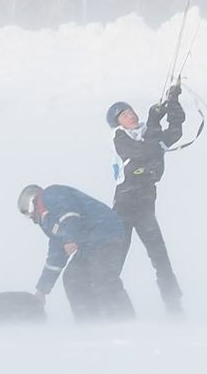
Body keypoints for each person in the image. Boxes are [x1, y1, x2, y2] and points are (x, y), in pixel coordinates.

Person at [107, 84, 186, 316]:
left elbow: (176, 130)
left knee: (160, 258)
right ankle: (111, 309)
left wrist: (173, 103)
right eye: (123, 115)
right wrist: (153, 123)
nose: (130, 115)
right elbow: (141, 152)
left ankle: (175, 307)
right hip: (123, 206)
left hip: (144, 207)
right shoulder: (119, 137)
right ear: (117, 122)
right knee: (116, 261)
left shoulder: (148, 134)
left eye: (130, 111)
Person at [16, 182, 135, 321]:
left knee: (102, 276)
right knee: (73, 277)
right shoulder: (48, 223)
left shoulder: (50, 195)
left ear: (32, 201)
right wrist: (42, 291)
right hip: (89, 246)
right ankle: (90, 321)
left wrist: (70, 238)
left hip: (106, 233)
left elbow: (69, 213)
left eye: (28, 213)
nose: (31, 218)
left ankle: (126, 320)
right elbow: (56, 256)